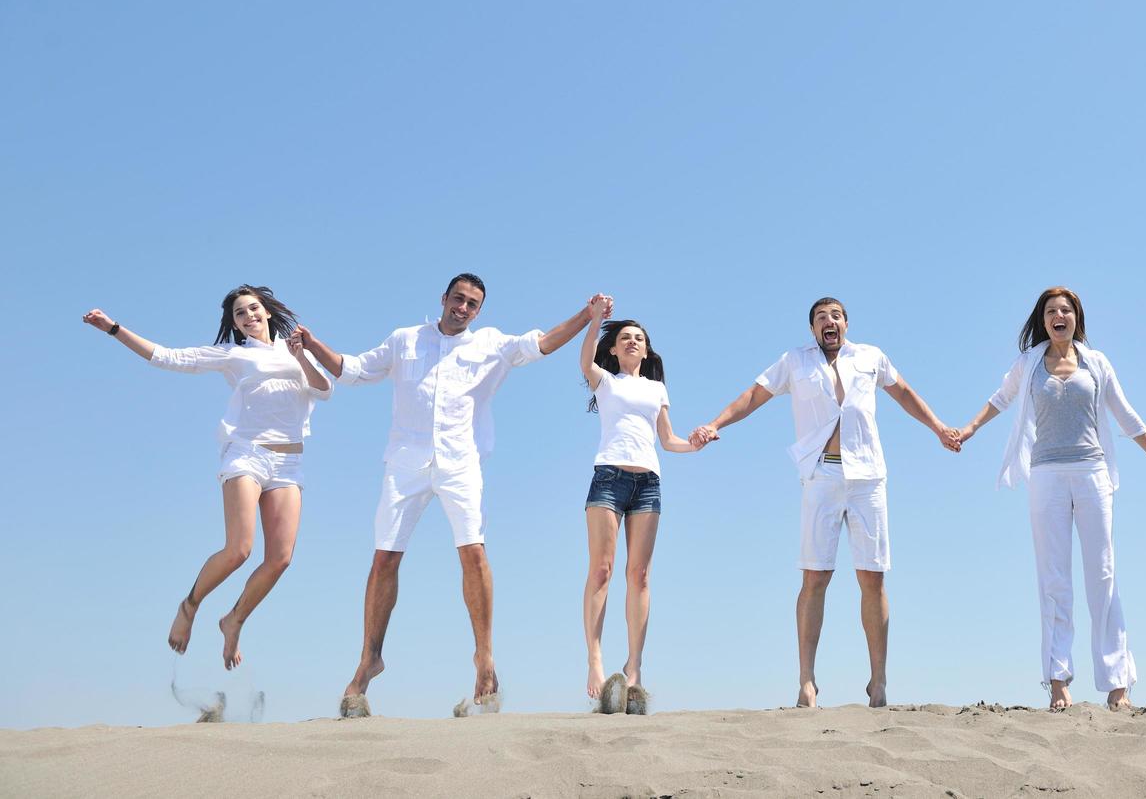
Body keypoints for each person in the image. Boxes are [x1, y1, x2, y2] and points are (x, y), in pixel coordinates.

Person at [294, 273, 601, 717]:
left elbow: (545, 343)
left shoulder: (491, 344)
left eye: (472, 304)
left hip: (461, 462)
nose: (463, 307)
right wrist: (311, 343)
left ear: (479, 311)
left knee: (473, 553)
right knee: (384, 558)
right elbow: (352, 370)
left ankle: (484, 655)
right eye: (458, 298)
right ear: (443, 298)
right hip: (405, 462)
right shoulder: (405, 340)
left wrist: (586, 315)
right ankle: (369, 660)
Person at [690, 297, 959, 708]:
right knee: (815, 578)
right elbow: (752, 396)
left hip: (868, 475)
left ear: (846, 324)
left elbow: (903, 392)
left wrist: (939, 427)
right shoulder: (795, 361)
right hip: (821, 475)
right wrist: (714, 423)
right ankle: (806, 681)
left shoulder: (871, 356)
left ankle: (879, 681)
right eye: (820, 318)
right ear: (812, 329)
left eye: (835, 316)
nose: (828, 322)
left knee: (873, 577)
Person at [81, 285, 331, 670]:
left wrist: (302, 355)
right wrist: (114, 329)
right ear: (234, 324)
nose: (248, 316)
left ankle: (233, 620)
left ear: (267, 312)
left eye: (253, 308)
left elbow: (324, 389)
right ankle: (190, 605)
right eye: (239, 314)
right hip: (247, 455)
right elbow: (166, 357)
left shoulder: (295, 349)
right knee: (239, 550)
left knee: (280, 559)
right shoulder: (234, 356)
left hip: (288, 464)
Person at [957, 286, 1146, 712]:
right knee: (1053, 579)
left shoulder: (1096, 363)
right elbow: (999, 400)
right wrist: (966, 430)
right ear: (1042, 320)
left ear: (1077, 318)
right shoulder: (1028, 364)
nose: (1059, 316)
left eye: (1066, 310)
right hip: (1046, 476)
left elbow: (1127, 416)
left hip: (1092, 472)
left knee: (1103, 575)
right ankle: (1058, 681)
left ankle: (1118, 685)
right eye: (1051, 311)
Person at [578, 296, 707, 714]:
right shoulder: (606, 380)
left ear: (647, 350)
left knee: (640, 575)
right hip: (609, 478)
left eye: (639, 338)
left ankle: (634, 668)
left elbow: (668, 440)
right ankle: (595, 660)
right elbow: (584, 361)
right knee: (602, 569)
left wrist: (695, 443)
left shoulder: (656, 388)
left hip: (648, 482)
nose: (633, 342)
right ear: (613, 348)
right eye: (625, 338)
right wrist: (597, 320)